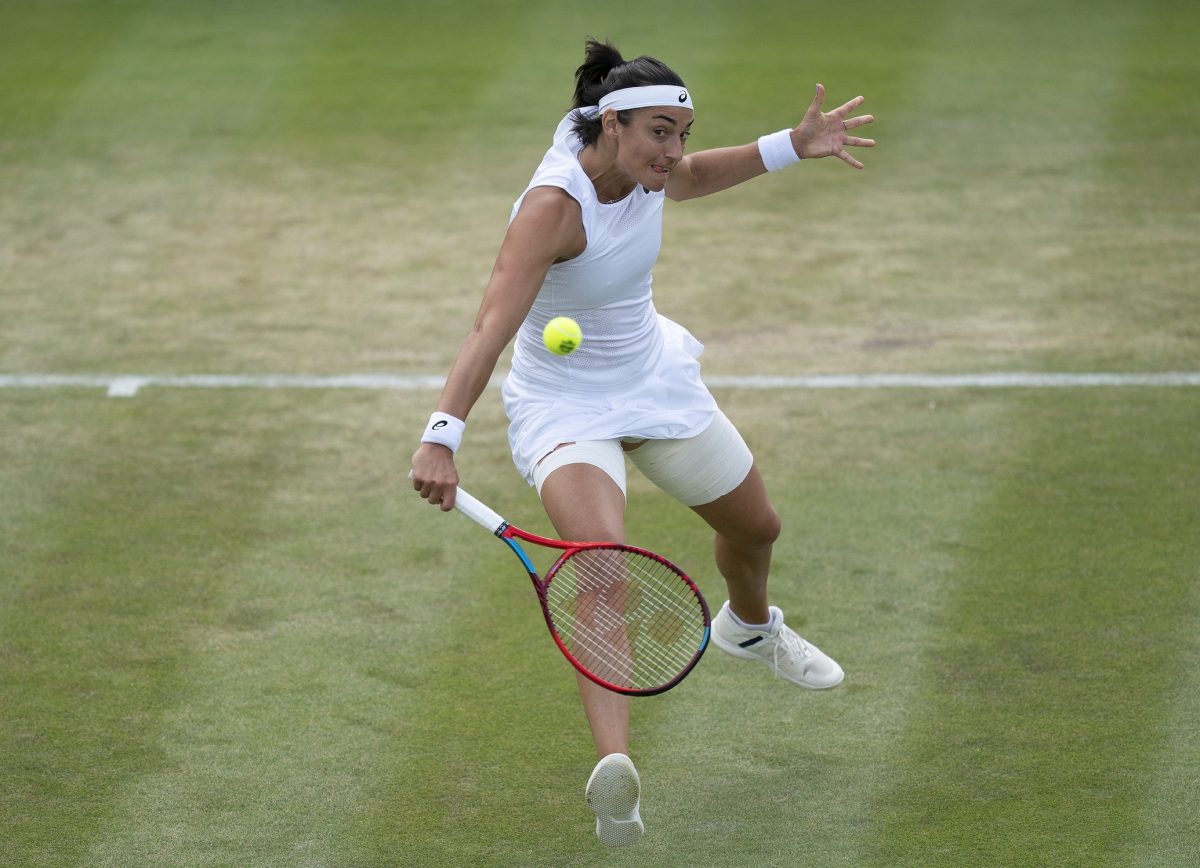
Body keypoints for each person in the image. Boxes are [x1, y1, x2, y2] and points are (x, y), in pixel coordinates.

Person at [410, 38, 875, 847]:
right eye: (661, 132)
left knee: (757, 528)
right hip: (566, 410)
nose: (676, 151)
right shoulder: (553, 207)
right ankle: (616, 777)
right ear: (612, 123)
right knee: (601, 570)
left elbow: (693, 180)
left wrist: (791, 148)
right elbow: (491, 324)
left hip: (655, 379)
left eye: (682, 132)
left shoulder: (652, 169)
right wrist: (441, 437)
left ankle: (751, 627)